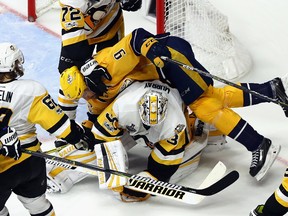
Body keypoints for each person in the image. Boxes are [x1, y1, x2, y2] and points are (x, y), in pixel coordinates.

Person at [63, 27, 285, 182]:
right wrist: (84, 137)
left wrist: (151, 47)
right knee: (213, 96)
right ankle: (272, 90)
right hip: (161, 74)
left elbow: (137, 38)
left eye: (85, 92)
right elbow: (94, 118)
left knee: (203, 104)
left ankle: (258, 144)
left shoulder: (105, 64)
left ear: (86, 80)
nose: (87, 99)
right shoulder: (96, 95)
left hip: (169, 56)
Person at [59, 73, 209, 201]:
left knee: (179, 154)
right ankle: (62, 171)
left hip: (171, 96)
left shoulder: (175, 123)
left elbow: (167, 158)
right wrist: (114, 174)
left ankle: (204, 124)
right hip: (133, 117)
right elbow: (102, 135)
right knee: (97, 144)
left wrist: (152, 178)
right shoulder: (122, 107)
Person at [0, 42, 95, 216]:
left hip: (2, 166)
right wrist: (81, 137)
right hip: (30, 162)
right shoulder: (31, 90)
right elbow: (62, 128)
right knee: (38, 204)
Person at [57, 0, 142, 121]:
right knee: (70, 76)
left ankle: (99, 121)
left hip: (110, 24)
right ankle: (66, 127)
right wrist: (88, 67)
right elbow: (72, 39)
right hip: (81, 33)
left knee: (110, 76)